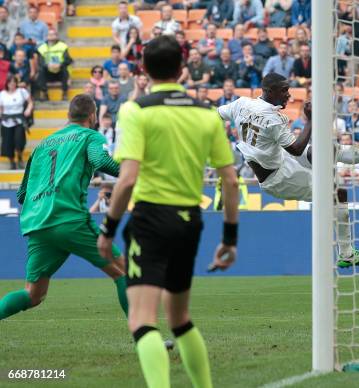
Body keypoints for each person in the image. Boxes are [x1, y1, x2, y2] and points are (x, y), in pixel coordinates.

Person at [96, 35, 239, 388]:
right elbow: (231, 181)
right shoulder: (206, 114)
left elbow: (126, 179)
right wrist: (230, 239)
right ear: (182, 69)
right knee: (180, 318)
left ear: (142, 69)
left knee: (142, 321)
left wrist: (108, 230)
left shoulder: (135, 110)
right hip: (190, 221)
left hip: (150, 221)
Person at [218, 72, 359, 267]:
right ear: (268, 91)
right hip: (278, 177)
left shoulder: (241, 103)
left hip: (281, 159)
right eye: (283, 91)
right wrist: (310, 120)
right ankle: (347, 254)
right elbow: (297, 149)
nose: (288, 95)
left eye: (288, 90)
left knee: (328, 151)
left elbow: (215, 115)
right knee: (338, 193)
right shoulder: (274, 119)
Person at [0, 94, 128, 324]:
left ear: (68, 115)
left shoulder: (41, 146)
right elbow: (100, 161)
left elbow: (21, 194)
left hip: (37, 223)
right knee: (124, 273)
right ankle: (148, 338)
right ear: (92, 115)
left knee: (33, 294)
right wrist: (131, 173)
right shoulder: (90, 135)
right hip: (68, 217)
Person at [0, 74, 33, 169]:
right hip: (6, 121)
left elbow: (30, 102)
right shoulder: (2, 94)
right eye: (10, 82)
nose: (12, 84)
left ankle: (19, 157)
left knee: (19, 141)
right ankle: (12, 162)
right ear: (7, 83)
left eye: (14, 82)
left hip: (19, 120)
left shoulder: (22, 92)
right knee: (7, 143)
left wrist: (28, 109)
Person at [36, 29, 72, 101]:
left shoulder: (63, 46)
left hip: (59, 72)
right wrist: (47, 65)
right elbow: (40, 62)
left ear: (57, 36)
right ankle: (44, 93)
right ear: (47, 37)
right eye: (50, 34)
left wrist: (60, 65)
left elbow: (68, 60)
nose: (51, 36)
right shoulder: (42, 48)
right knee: (41, 71)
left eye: (53, 34)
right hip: (48, 72)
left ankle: (64, 93)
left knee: (64, 69)